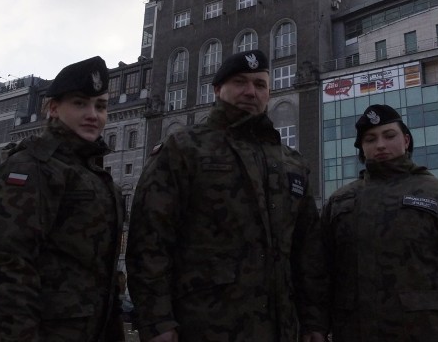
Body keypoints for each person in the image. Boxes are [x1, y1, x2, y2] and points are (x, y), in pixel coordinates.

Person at [127, 49, 328, 342]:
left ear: (269, 93)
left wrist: (314, 322)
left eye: (259, 85)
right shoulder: (185, 148)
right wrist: (157, 321)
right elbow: (149, 237)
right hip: (204, 325)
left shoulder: (291, 162)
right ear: (218, 89)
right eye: (240, 82)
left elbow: (307, 249)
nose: (250, 91)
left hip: (282, 327)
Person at [0, 56, 125, 341]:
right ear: (54, 108)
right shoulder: (32, 166)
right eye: (80, 103)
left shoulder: (92, 172)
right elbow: (8, 264)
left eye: (101, 106)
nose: (93, 114)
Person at [321, 104, 438, 341]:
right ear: (362, 147)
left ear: (406, 139)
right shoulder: (340, 202)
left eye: (389, 135)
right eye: (370, 139)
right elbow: (319, 272)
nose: (380, 144)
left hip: (426, 332)